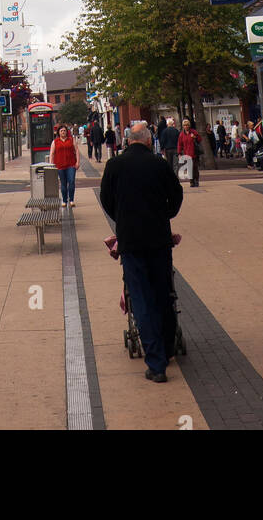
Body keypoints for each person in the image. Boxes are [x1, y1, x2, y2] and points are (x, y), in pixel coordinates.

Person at [100, 122, 184, 383]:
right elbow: (176, 195)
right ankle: (168, 348)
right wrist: (165, 214)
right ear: (149, 141)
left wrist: (121, 219)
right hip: (159, 239)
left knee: (141, 298)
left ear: (128, 140)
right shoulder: (159, 164)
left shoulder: (115, 165)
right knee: (164, 293)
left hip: (131, 242)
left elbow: (106, 199)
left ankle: (156, 363)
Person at [50, 124, 79, 209]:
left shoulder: (71, 140)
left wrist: (78, 162)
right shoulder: (55, 142)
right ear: (59, 132)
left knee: (71, 182)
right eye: (61, 131)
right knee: (63, 183)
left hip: (71, 165)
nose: (63, 132)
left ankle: (71, 200)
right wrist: (51, 165)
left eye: (64, 131)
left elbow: (76, 151)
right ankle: (64, 200)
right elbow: (52, 154)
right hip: (60, 166)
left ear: (67, 132)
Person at [178, 119, 201, 188]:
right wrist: (179, 153)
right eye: (184, 125)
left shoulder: (193, 132)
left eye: (187, 125)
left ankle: (196, 180)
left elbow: (199, 139)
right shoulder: (182, 134)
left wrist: (195, 137)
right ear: (183, 126)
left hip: (194, 153)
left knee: (195, 168)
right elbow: (179, 144)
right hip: (187, 154)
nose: (186, 126)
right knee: (189, 168)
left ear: (189, 125)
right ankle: (191, 182)